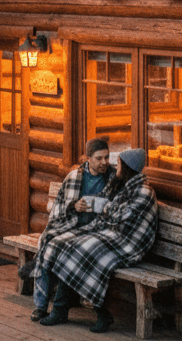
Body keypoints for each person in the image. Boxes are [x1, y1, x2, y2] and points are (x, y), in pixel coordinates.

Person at [32, 147, 158, 333]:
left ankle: (101, 313)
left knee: (81, 252)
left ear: (128, 166)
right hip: (112, 235)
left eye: (119, 163)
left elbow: (122, 216)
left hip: (129, 244)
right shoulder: (123, 183)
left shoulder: (143, 191)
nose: (116, 166)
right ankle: (60, 309)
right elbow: (104, 200)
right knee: (67, 246)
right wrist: (86, 204)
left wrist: (104, 207)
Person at [25, 137, 115, 324]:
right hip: (72, 225)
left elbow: (118, 208)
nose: (104, 162)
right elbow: (60, 206)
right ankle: (41, 306)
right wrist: (75, 205)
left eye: (107, 157)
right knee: (48, 243)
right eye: (99, 158)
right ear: (88, 158)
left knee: (59, 249)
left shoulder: (113, 178)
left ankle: (60, 307)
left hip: (96, 230)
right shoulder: (75, 177)